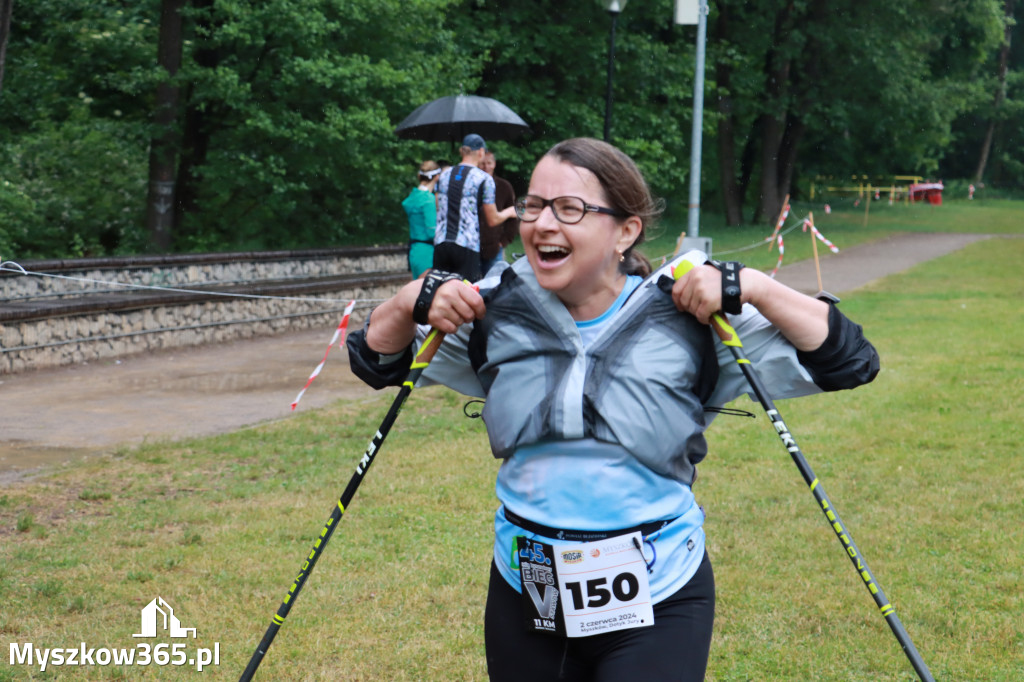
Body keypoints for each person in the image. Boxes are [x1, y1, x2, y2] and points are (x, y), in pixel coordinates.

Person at [347, 138, 879, 681]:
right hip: (527, 591)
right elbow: (375, 359)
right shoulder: (494, 307)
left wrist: (757, 287)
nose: (543, 225)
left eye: (570, 209)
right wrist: (410, 298)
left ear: (625, 231)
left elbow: (849, 360)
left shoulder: (687, 314)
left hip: (660, 593)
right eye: (533, 206)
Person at [433, 134, 517, 281]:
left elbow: (438, 207)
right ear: (480, 152)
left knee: (440, 291)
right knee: (465, 294)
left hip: (441, 243)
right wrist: (509, 212)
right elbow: (492, 219)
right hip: (467, 245)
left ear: (461, 151)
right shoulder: (484, 179)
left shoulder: (444, 175)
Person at [479, 149, 520, 278]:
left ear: (494, 164)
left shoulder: (504, 186)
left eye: (489, 163)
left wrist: (505, 240)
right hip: (473, 247)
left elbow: (514, 213)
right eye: (482, 163)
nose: (486, 166)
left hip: (494, 246)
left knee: (494, 284)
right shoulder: (473, 185)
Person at [402, 160, 441, 278]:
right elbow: (431, 232)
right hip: (427, 253)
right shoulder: (429, 200)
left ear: (419, 176)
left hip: (414, 250)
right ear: (437, 177)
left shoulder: (412, 197)